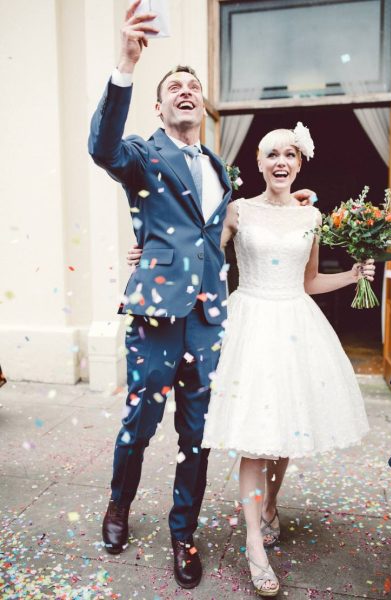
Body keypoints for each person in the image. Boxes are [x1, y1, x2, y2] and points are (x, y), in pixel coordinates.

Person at [89, 1, 314, 589]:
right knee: (141, 421)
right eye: (175, 87)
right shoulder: (141, 154)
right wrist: (126, 65)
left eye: (193, 86)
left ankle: (183, 533)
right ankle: (119, 504)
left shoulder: (220, 167)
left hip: (211, 318)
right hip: (158, 314)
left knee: (198, 435)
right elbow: (102, 148)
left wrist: (295, 204)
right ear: (160, 106)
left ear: (203, 105)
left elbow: (229, 227)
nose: (186, 91)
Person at [200, 124, 374, 596]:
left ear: (300, 164)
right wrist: (152, 255)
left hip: (295, 325)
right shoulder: (238, 210)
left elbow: (309, 281)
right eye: (272, 154)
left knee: (286, 430)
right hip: (251, 324)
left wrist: (353, 275)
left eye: (290, 154)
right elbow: (205, 256)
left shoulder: (311, 216)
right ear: (258, 162)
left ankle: (271, 503)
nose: (281, 162)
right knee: (254, 441)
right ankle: (254, 543)